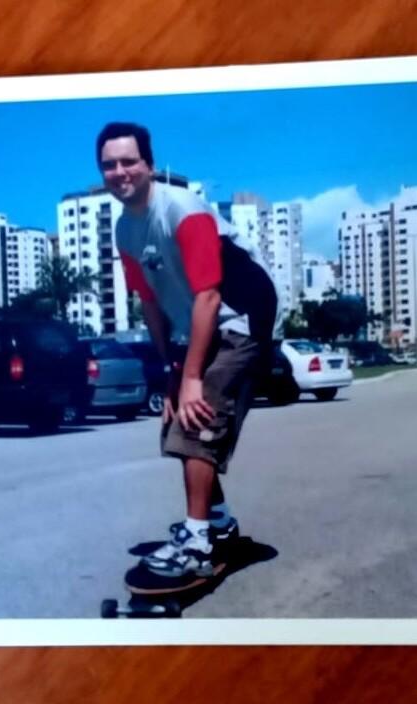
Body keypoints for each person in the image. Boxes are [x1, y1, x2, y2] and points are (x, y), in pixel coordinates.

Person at [96, 121, 277, 581]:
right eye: (109, 165)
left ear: (149, 166)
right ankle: (219, 526)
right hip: (198, 324)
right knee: (178, 423)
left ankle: (196, 543)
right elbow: (151, 303)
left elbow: (210, 297)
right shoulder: (124, 231)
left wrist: (194, 378)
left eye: (128, 161)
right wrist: (171, 373)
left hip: (242, 316)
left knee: (198, 421)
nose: (120, 172)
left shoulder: (183, 209)